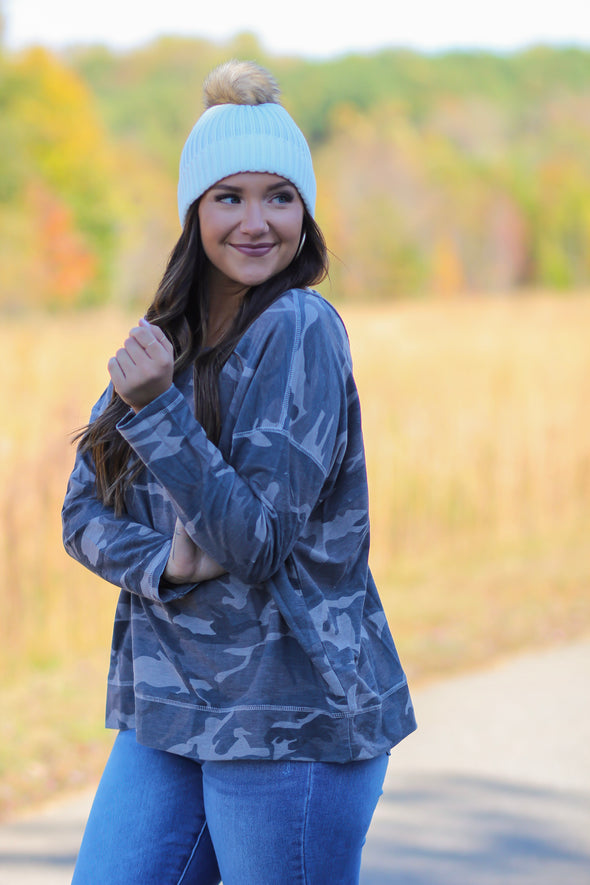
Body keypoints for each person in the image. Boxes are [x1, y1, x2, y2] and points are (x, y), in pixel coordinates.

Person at [62, 59, 416, 885]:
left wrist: (158, 413)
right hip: (170, 710)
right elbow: (81, 511)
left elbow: (254, 542)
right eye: (230, 196)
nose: (256, 222)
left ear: (306, 212)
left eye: (279, 197)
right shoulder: (166, 341)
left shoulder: (301, 329)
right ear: (194, 211)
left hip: (289, 717)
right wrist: (167, 562)